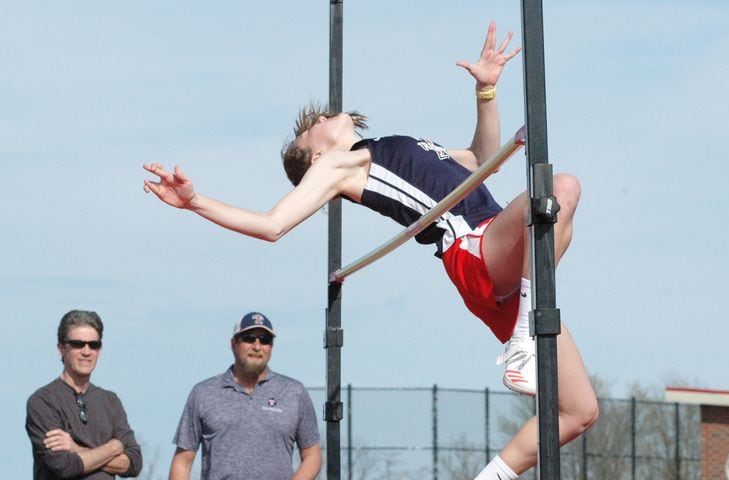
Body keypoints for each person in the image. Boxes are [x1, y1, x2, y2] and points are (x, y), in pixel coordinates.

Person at [145, 22, 597, 479]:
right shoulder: (344, 165)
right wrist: (195, 202)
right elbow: (272, 224)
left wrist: (485, 92)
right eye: (312, 130)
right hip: (476, 250)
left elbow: (480, 160)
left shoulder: (393, 147)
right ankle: (524, 336)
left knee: (578, 410)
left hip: (504, 256)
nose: (321, 119)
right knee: (558, 189)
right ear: (315, 159)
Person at [169, 312, 321, 480]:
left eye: (265, 340)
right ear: (234, 343)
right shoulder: (203, 393)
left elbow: (312, 456)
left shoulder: (294, 392)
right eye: (249, 338)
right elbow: (183, 462)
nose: (257, 346)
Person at [25, 310, 143, 480]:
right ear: (61, 349)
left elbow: (134, 463)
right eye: (78, 344)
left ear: (99, 350)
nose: (86, 352)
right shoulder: (43, 401)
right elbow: (64, 465)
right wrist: (113, 448)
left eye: (93, 345)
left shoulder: (110, 401)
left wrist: (76, 449)